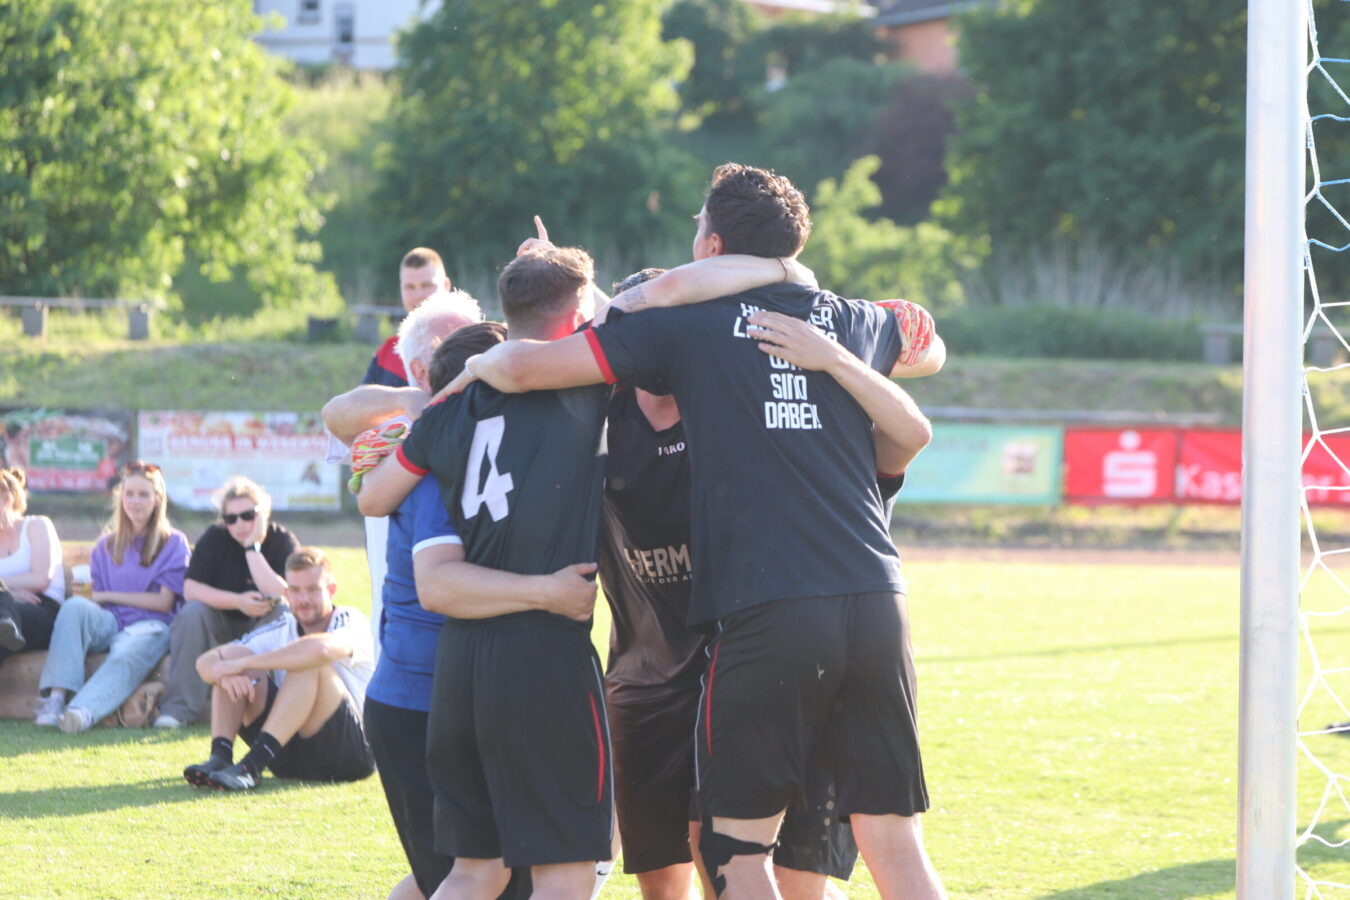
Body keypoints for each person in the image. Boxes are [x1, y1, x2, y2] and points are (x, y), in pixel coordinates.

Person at [440, 164, 948, 899]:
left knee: (738, 855)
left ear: (711, 246)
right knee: (895, 843)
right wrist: (799, 289)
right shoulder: (851, 319)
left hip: (770, 610)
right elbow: (927, 355)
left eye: (696, 229)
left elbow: (527, 369)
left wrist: (473, 372)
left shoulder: (686, 326)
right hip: (879, 601)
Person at [597, 270, 934, 900]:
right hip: (654, 679)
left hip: (770, 661)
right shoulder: (601, 416)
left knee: (766, 867)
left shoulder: (758, 411)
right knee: (672, 874)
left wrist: (833, 349)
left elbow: (917, 399)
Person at [364, 321, 552, 900]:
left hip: (452, 698)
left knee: (457, 877)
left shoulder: (458, 453)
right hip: (419, 704)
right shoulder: (445, 468)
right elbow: (439, 586)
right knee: (476, 875)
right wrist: (547, 592)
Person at [323, 253, 479, 664]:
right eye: (410, 286)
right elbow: (338, 416)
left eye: (426, 285)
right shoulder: (391, 359)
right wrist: (407, 400)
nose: (418, 295)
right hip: (407, 639)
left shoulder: (496, 380)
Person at [183, 546, 375, 791]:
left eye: (313, 589)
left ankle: (251, 766)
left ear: (331, 590)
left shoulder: (350, 619)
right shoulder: (283, 625)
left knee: (307, 662)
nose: (303, 599)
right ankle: (220, 757)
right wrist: (226, 674)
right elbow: (205, 661)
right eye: (295, 590)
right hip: (290, 759)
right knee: (232, 655)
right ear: (286, 593)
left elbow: (319, 650)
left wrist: (241, 665)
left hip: (350, 757)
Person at [34, 461, 190, 733]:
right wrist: (87, 597)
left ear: (157, 499)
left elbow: (163, 603)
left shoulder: (174, 542)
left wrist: (107, 595)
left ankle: (81, 711)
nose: (135, 501)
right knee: (74, 607)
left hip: (152, 626)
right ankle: (56, 699)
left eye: (143, 494)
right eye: (129, 494)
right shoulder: (105, 545)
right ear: (121, 497)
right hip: (110, 622)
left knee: (127, 654)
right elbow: (95, 598)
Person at [155, 476, 299, 728]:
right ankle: (178, 710)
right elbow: (190, 589)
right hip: (221, 628)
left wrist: (252, 548)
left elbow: (286, 594)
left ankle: (279, 706)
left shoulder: (281, 540)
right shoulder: (215, 537)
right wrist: (238, 601)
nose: (239, 524)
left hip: (264, 629)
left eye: (248, 515)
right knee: (192, 612)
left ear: (263, 514)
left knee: (284, 613)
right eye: (231, 518)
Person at [0, 466, 66, 666]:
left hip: (43, 609)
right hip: (9, 614)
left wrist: (4, 591)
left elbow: (40, 579)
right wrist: (10, 595)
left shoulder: (37, 526)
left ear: (6, 498)